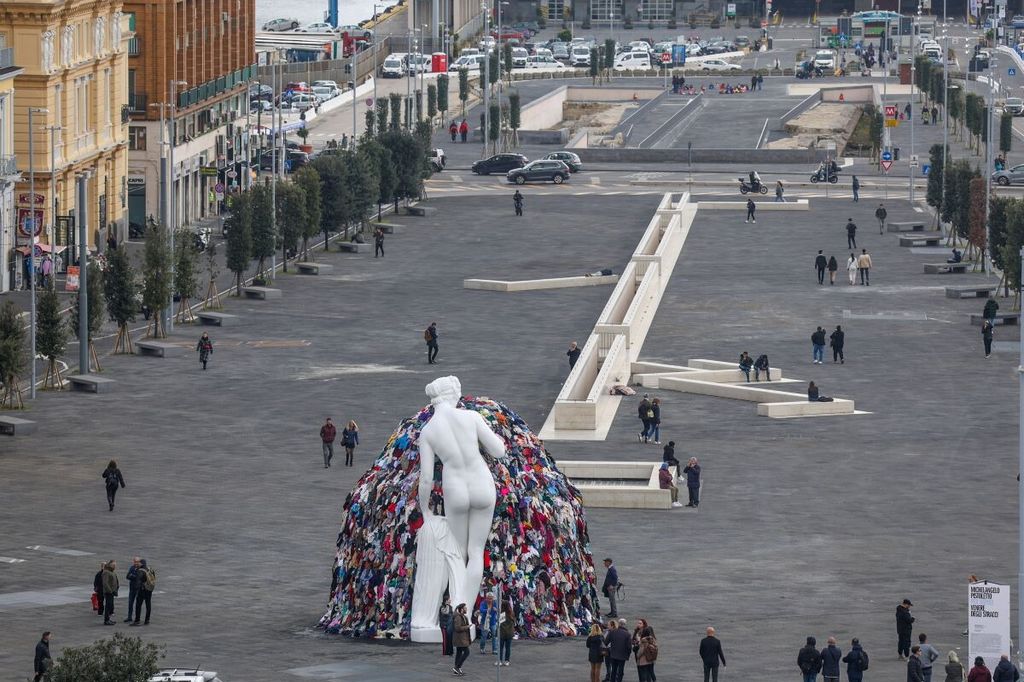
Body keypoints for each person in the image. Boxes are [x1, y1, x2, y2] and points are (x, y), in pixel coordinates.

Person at [605, 618, 632, 682]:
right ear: (625, 624)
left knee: (613, 670)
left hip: (613, 654)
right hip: (622, 655)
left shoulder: (612, 632)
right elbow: (629, 647)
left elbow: (606, 642)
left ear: (619, 624)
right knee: (620, 670)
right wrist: (628, 654)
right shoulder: (627, 634)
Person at [131, 558, 154, 625]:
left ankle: (137, 620)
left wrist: (136, 588)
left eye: (139, 563)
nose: (138, 564)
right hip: (149, 589)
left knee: (138, 605)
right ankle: (147, 620)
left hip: (142, 589)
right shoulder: (150, 569)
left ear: (142, 563)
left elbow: (138, 581)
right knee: (148, 604)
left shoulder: (140, 571)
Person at [452, 603, 471, 675]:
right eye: (465, 608)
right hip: (460, 638)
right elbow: (457, 628)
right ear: (462, 609)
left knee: (459, 653)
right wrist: (467, 627)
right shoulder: (458, 617)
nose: (466, 609)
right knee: (467, 652)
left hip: (461, 638)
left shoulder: (463, 616)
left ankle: (456, 669)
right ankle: (457, 667)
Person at [124, 556, 142, 623]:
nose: (136, 563)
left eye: (137, 562)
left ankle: (137, 618)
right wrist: (134, 576)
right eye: (135, 562)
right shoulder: (132, 567)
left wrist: (132, 576)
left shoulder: (140, 569)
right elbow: (127, 576)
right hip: (132, 588)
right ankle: (129, 617)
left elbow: (138, 578)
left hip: (138, 589)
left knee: (138, 604)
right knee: (130, 603)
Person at [101, 559, 119, 625]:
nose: (115, 566)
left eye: (115, 565)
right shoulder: (106, 572)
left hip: (112, 592)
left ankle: (108, 619)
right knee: (108, 606)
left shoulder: (111, 571)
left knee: (110, 606)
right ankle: (106, 620)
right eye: (114, 565)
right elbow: (105, 583)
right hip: (108, 592)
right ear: (110, 564)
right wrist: (110, 591)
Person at [497, 601, 513, 666]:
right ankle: (507, 660)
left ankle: (500, 660)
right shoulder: (511, 613)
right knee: (508, 648)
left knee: (501, 647)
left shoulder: (502, 614)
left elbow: (500, 624)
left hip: (503, 633)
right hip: (510, 633)